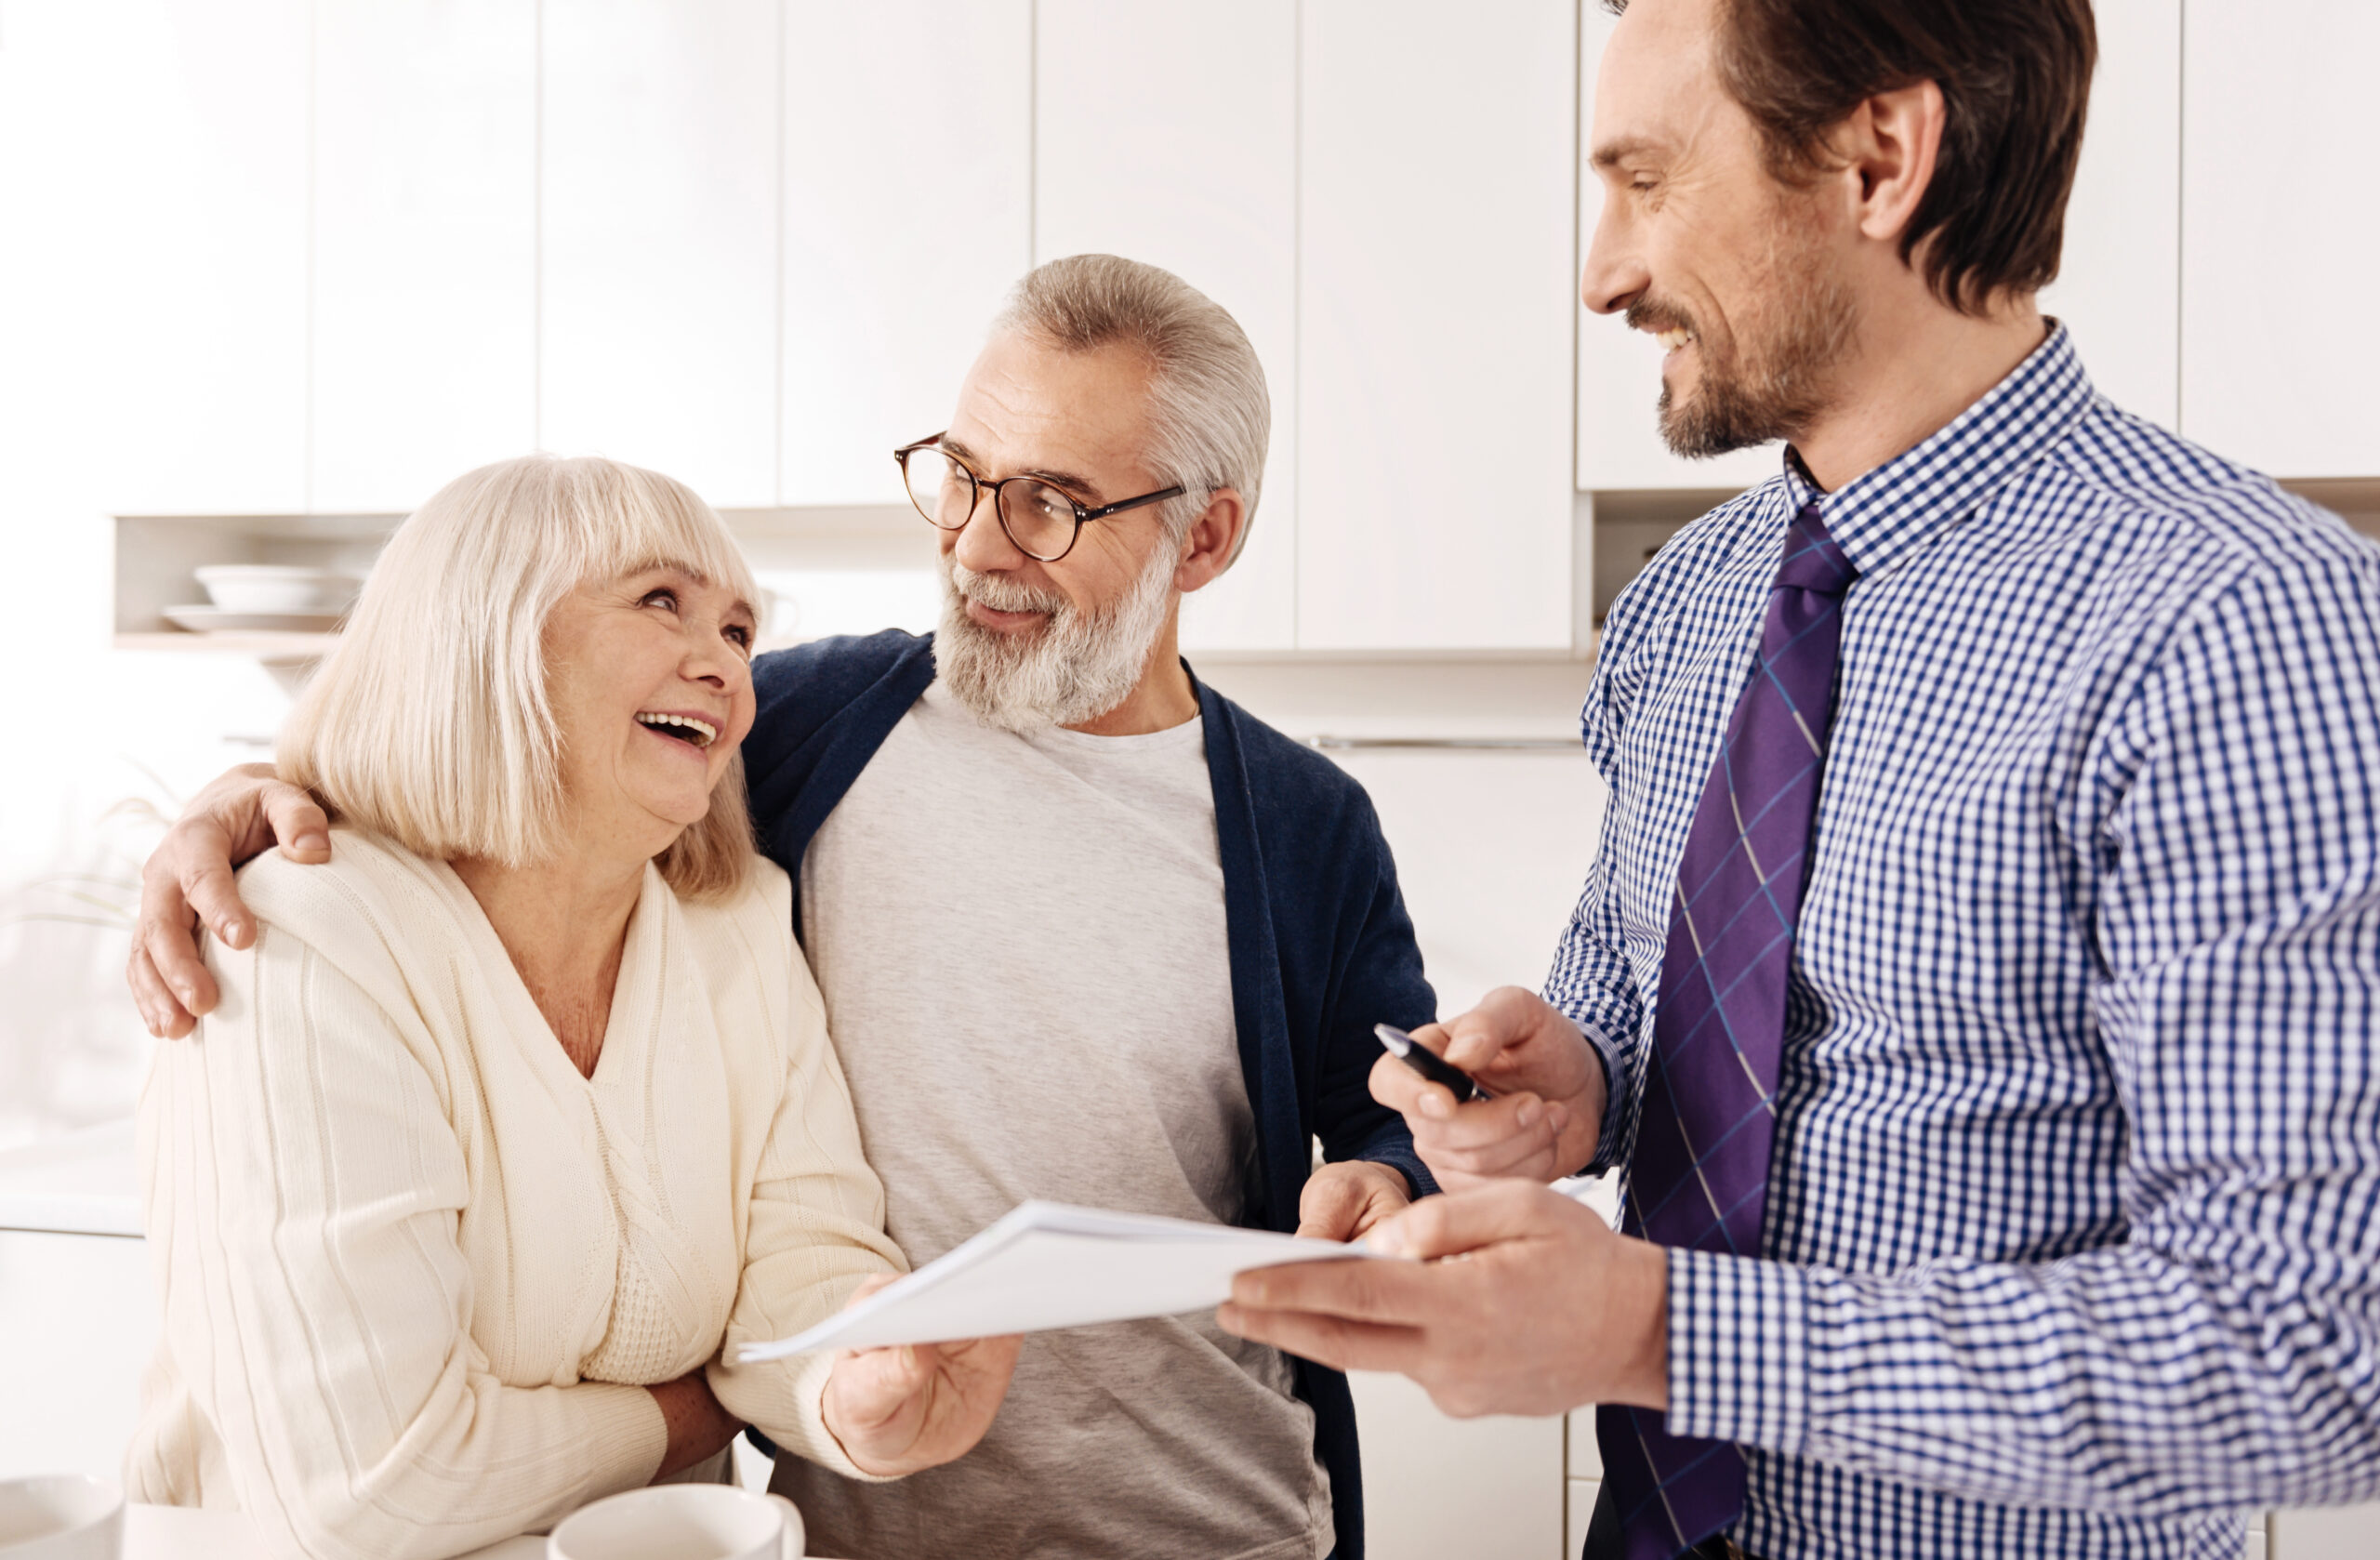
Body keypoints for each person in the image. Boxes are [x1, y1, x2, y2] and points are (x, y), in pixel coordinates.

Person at [1217, 2, 2380, 1559]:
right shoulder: (1689, 603)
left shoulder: (2241, 622)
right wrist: (1568, 1085)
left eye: (1649, 180)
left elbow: (2306, 1348)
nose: (1602, 270)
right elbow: (1632, 995)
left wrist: (1664, 1330)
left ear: (1880, 158)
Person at [128, 256, 1437, 1560]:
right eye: (965, 474)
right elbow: (519, 751)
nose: (979, 544)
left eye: (1054, 503)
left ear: (1204, 535)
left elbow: (1392, 1104)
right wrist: (259, 797)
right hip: (860, 1518)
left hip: (1212, 1520)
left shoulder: (1302, 823)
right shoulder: (812, 726)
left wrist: (1390, 1173)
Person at [126, 456, 1018, 1560]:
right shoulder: (301, 944)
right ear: (483, 632)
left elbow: (803, 1257)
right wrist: (703, 1406)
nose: (729, 670)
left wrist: (852, 1389)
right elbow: (373, 1490)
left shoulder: (735, 924)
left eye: (740, 632)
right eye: (661, 601)